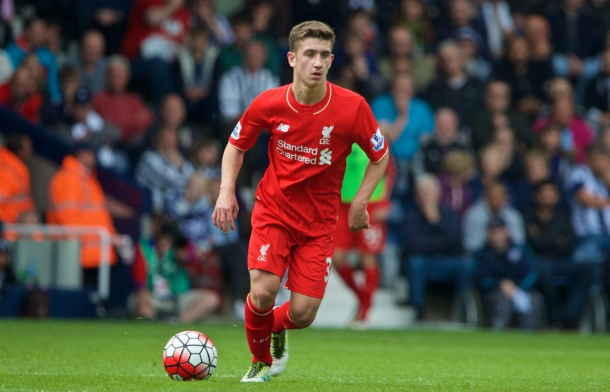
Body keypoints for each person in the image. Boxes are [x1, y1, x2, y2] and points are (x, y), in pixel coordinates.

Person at [212, 21, 389, 382]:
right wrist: (226, 189)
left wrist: (359, 202)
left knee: (304, 314)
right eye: (310, 54)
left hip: (319, 223)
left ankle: (273, 329)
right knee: (262, 293)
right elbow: (236, 145)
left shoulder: (352, 107)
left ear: (332, 59)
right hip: (273, 211)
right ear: (293, 58)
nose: (318, 62)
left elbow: (380, 156)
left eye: (324, 55)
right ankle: (260, 363)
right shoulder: (269, 102)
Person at [47, 143, 129, 287]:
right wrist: (90, 240)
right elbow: (67, 219)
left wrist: (112, 237)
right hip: (79, 253)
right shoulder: (68, 177)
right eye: (90, 153)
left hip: (95, 251)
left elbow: (99, 216)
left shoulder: (87, 178)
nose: (94, 157)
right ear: (80, 154)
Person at [333, 146, 395, 327]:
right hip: (341, 203)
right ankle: (363, 300)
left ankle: (364, 313)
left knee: (367, 255)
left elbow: (389, 169)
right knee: (336, 256)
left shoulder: (372, 131)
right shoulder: (336, 130)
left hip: (371, 202)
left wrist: (384, 201)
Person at [524, 180, 597, 328]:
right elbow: (530, 242)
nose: (547, 196)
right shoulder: (527, 215)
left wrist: (543, 239)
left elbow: (569, 244)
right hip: (535, 262)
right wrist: (555, 240)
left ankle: (569, 316)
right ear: (536, 196)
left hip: (561, 261)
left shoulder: (563, 216)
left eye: (551, 192)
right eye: (544, 192)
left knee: (591, 270)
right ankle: (554, 317)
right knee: (544, 269)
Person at [403, 174, 472, 320]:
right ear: (416, 196)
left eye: (429, 193)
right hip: (426, 262)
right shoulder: (411, 216)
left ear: (438, 194)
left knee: (466, 264)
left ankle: (462, 306)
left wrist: (435, 221)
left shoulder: (450, 214)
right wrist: (441, 243)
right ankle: (418, 309)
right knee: (415, 263)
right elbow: (414, 246)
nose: (425, 197)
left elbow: (456, 242)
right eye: (422, 193)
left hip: (449, 261)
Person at [129, 221, 220, 323]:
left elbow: (193, 260)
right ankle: (153, 324)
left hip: (178, 297)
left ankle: (177, 322)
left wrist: (184, 256)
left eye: (169, 239)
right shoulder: (144, 246)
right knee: (142, 305)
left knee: (211, 299)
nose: (166, 242)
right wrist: (143, 298)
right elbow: (139, 281)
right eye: (164, 238)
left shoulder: (181, 247)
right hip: (153, 296)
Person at [477, 217, 540, 330]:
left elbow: (533, 273)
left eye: (499, 232)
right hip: (495, 293)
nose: (495, 236)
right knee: (502, 301)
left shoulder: (521, 250)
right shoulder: (483, 254)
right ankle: (498, 336)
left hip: (521, 290)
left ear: (506, 232)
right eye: (492, 232)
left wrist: (517, 290)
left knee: (534, 299)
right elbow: (482, 279)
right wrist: (500, 285)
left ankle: (528, 337)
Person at [93, 55, 155, 145]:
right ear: (106, 77)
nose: (115, 79)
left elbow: (147, 121)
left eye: (119, 76)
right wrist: (133, 123)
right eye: (112, 75)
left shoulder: (135, 100)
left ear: (127, 77)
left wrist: (122, 125)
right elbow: (104, 126)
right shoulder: (98, 99)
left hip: (134, 146)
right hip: (109, 145)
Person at [463, 182, 525, 253]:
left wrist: (506, 240)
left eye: (499, 198)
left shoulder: (513, 215)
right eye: (493, 197)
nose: (496, 201)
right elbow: (471, 246)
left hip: (507, 255)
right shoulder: (473, 215)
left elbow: (520, 242)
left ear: (505, 198)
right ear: (486, 197)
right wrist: (490, 240)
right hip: (481, 257)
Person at [0, 134, 35, 224]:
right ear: (19, 151)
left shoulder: (17, 170)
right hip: (7, 229)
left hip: (16, 227)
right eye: (28, 148)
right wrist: (16, 218)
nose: (30, 151)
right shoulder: (6, 171)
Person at [64, 30, 108, 95]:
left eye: (95, 48)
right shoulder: (69, 64)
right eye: (89, 47)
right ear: (82, 47)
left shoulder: (107, 68)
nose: (92, 52)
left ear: (102, 50)